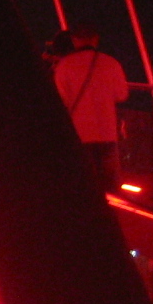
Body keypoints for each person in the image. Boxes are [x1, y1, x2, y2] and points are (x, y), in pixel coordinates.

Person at [52, 23, 130, 189]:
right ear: (96, 39)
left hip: (79, 133)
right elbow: (122, 95)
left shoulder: (65, 66)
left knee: (82, 183)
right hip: (106, 132)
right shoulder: (111, 63)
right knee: (110, 185)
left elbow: (61, 100)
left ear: (74, 40)